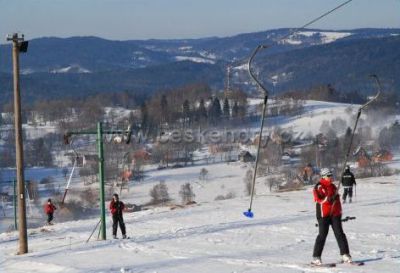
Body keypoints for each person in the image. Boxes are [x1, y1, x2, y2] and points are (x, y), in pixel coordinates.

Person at [311, 168, 352, 265]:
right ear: (324, 176)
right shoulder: (319, 186)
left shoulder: (333, 186)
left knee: (340, 233)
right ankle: (316, 257)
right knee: (322, 235)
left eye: (331, 175)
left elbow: (335, 199)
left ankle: (345, 254)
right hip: (323, 215)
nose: (331, 177)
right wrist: (328, 199)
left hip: (335, 214)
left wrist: (336, 197)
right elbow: (318, 199)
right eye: (329, 176)